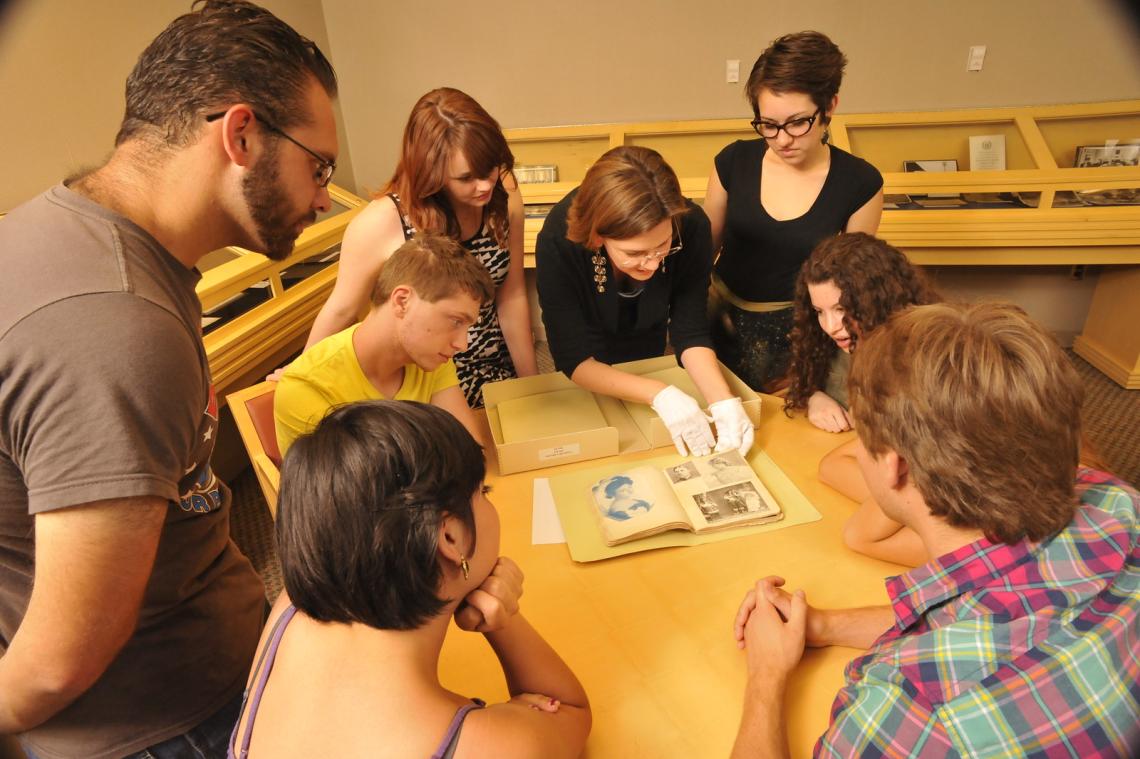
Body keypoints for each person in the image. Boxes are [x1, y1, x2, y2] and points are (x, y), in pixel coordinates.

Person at [0, 2, 337, 756]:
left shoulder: (72, 233)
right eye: (321, 167)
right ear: (242, 135)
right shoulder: (114, 325)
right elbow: (57, 661)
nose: (322, 198)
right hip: (168, 731)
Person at [730, 303, 1140, 758]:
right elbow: (1010, 613)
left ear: (894, 465)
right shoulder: (1117, 501)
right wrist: (826, 625)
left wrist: (766, 674)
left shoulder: (916, 712)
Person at [230, 400, 592, 758]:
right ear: (450, 538)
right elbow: (571, 711)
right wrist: (504, 617)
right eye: (483, 492)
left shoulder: (290, 607)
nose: (487, 502)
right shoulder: (478, 746)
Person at [303, 87, 537, 407]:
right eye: (466, 178)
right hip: (425, 378)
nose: (484, 185)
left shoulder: (503, 194)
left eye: (489, 170)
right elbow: (342, 310)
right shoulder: (383, 221)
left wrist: (532, 384)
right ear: (431, 171)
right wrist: (300, 375)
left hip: (494, 367)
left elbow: (512, 295)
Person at [536, 145, 754, 458]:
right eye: (634, 254)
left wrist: (722, 400)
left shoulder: (691, 228)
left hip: (649, 336)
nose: (651, 265)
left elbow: (690, 331)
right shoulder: (561, 239)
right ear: (598, 238)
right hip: (589, 359)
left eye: (662, 246)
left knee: (650, 443)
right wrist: (660, 394)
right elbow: (573, 357)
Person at [704, 31, 884, 392]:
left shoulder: (860, 183)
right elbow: (702, 252)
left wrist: (814, 384)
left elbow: (848, 291)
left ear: (830, 106)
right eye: (768, 125)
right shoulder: (733, 161)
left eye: (798, 122)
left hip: (799, 333)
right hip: (718, 318)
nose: (782, 139)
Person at [274, 233, 488, 456]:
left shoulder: (431, 357)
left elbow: (470, 454)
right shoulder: (307, 387)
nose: (463, 344)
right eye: (456, 321)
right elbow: (360, 490)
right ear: (402, 301)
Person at [785, 232, 937, 433]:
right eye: (819, 312)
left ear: (877, 300)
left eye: (841, 309)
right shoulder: (828, 343)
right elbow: (801, 382)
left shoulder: (928, 355)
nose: (831, 327)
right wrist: (813, 397)